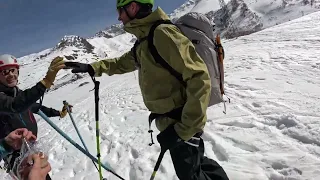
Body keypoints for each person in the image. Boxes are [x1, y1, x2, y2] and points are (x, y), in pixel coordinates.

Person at [65, 0, 229, 179]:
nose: (119, 17)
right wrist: (92, 68)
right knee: (197, 166)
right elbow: (121, 63)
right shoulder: (145, 41)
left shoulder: (162, 34)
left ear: (133, 7)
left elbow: (199, 78)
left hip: (182, 123)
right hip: (174, 123)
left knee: (191, 176)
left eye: (120, 11)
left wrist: (183, 130)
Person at [0, 54, 71, 179]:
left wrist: (59, 113)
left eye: (13, 70)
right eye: (5, 72)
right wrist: (45, 83)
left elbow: (37, 108)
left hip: (31, 149)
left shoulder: (19, 94)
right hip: (15, 156)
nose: (10, 74)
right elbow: (15, 106)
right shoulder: (3, 99)